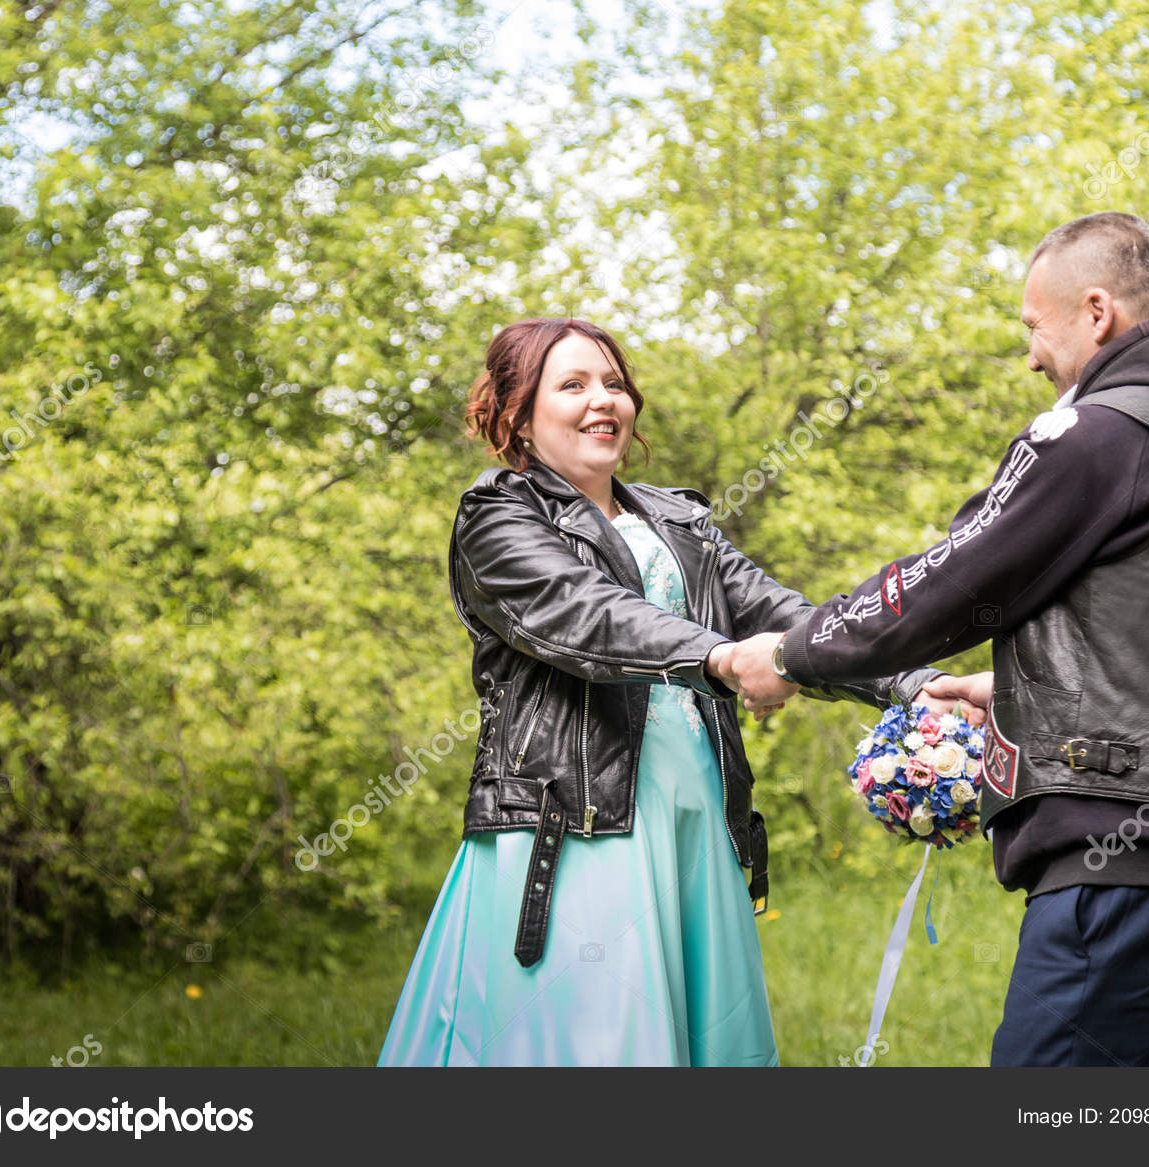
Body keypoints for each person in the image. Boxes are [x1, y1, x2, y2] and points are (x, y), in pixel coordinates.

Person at [730, 213, 1149, 1067]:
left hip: (1114, 862)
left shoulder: (1099, 434)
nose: (1030, 357)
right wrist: (1017, 695)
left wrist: (792, 652)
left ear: (1095, 311)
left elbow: (949, 580)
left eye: (1032, 328)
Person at [376, 316, 960, 1067]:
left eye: (614, 383)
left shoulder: (680, 519)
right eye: (574, 385)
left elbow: (787, 618)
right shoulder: (497, 515)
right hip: (575, 827)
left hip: (694, 813)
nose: (603, 401)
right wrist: (721, 658)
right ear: (520, 415)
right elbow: (590, 618)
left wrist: (918, 684)